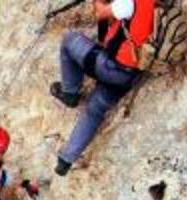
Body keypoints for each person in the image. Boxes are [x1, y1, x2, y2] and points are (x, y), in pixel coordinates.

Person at [49, 0, 156, 175]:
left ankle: (70, 92)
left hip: (112, 67)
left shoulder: (130, 3)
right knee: (95, 110)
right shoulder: (158, 4)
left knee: (69, 41)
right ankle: (65, 161)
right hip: (131, 75)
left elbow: (101, 13)